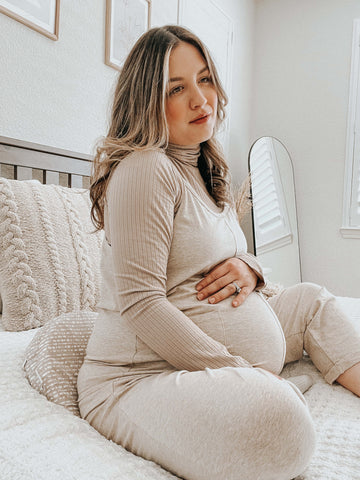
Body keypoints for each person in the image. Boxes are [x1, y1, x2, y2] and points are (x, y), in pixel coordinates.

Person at [77, 25, 360, 480]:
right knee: (281, 423)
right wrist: (240, 371)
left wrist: (250, 269)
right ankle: (273, 392)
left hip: (217, 352)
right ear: (146, 101)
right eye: (177, 88)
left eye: (205, 79)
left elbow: (219, 257)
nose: (200, 99)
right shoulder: (146, 169)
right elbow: (140, 302)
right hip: (141, 377)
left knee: (311, 301)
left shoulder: (207, 170)